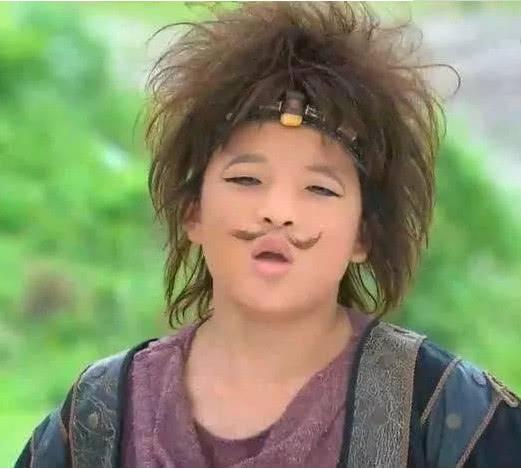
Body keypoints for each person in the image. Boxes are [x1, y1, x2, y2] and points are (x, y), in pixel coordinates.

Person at [15, 2, 521, 467]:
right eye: (246, 180)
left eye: (319, 189)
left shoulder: (453, 418)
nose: (278, 213)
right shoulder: (98, 419)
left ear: (363, 235)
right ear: (193, 212)